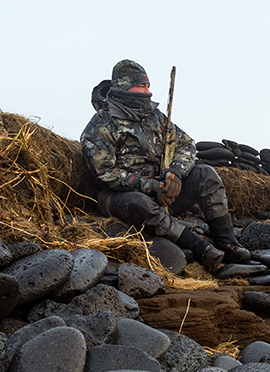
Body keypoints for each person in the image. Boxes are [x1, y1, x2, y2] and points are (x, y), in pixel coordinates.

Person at [80, 59, 250, 270]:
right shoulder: (101, 124)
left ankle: (227, 242)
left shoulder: (156, 118)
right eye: (141, 86)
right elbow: (104, 173)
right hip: (119, 197)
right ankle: (199, 248)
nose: (147, 91)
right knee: (140, 203)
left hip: (163, 191)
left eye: (148, 85)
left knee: (205, 174)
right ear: (124, 87)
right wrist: (150, 186)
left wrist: (175, 173)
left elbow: (187, 144)